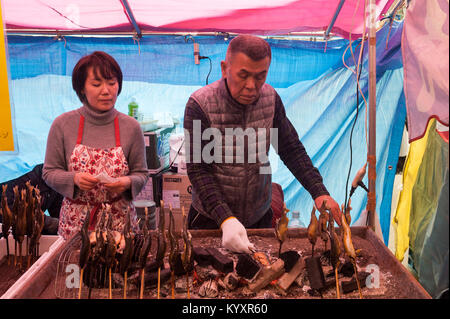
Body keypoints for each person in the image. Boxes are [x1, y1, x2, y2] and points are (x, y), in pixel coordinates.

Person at [184, 35, 342, 254]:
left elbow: (291, 149)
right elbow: (199, 170)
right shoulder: (200, 104)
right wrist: (226, 218)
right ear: (224, 68)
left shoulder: (270, 99)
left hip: (258, 216)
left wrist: (319, 191)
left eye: (260, 76)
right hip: (210, 219)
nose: (251, 86)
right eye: (243, 75)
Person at [43, 51, 149, 240]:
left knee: (120, 269)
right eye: (96, 84)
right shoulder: (62, 125)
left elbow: (141, 173)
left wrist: (127, 183)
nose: (106, 90)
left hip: (119, 221)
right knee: (75, 269)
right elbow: (49, 172)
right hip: (76, 223)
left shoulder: (131, 127)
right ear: (82, 88)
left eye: (111, 82)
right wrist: (74, 179)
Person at [0, 164, 61, 235]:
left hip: (29, 227)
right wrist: (50, 223)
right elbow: (15, 210)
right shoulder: (25, 177)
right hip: (8, 228)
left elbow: (57, 210)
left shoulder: (55, 181)